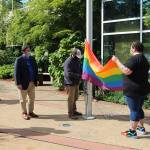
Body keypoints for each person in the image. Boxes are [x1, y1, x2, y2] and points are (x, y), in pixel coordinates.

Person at [112, 41, 150, 138]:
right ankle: (141, 128)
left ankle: (132, 132)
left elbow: (126, 70)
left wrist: (116, 61)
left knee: (134, 111)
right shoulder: (144, 59)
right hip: (142, 89)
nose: (130, 49)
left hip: (133, 90)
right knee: (138, 108)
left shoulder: (135, 58)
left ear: (134, 48)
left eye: (130, 47)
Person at [14, 45, 39, 120]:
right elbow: (16, 72)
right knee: (23, 100)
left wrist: (36, 79)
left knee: (32, 98)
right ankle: (24, 113)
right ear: (24, 51)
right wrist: (18, 83)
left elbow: (35, 69)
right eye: (27, 50)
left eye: (29, 50)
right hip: (23, 83)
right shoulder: (19, 60)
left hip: (32, 82)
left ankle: (31, 112)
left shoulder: (32, 59)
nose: (29, 52)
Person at [64, 48, 82, 120]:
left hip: (76, 82)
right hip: (70, 83)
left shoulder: (76, 60)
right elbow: (68, 74)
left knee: (75, 97)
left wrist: (82, 74)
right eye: (77, 56)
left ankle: (74, 111)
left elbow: (79, 69)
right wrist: (79, 75)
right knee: (70, 99)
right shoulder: (68, 62)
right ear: (73, 54)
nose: (78, 58)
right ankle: (70, 114)